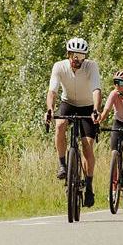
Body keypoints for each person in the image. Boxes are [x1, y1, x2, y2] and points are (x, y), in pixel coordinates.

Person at [47, 36, 103, 208]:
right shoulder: (59, 66)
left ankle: (89, 186)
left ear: (85, 57)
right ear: (68, 54)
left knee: (87, 146)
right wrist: (50, 109)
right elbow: (52, 91)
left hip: (87, 106)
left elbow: (96, 89)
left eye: (80, 56)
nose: (76, 59)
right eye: (73, 55)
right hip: (68, 103)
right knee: (60, 125)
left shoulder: (91, 66)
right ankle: (62, 164)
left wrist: (96, 109)